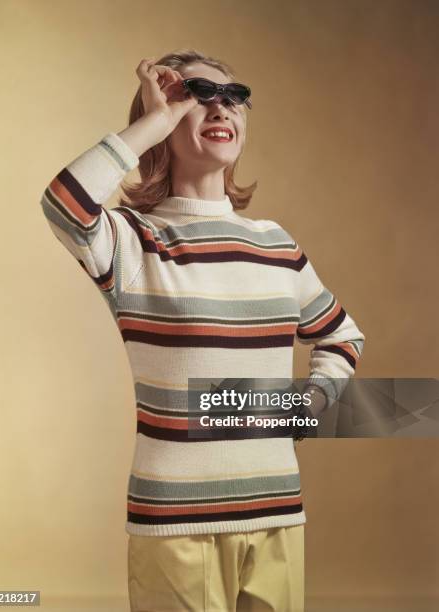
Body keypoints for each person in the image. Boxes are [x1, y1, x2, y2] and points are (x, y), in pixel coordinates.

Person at [40, 49, 365, 612]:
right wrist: (150, 124)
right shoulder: (133, 241)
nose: (223, 107)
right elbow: (63, 205)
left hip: (276, 517)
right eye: (197, 94)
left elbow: (342, 338)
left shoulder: (276, 245)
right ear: (165, 114)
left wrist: (305, 408)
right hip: (173, 526)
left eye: (234, 97)